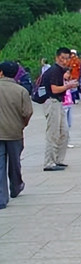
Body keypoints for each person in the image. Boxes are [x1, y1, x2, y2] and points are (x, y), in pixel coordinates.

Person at [0, 61, 33, 209]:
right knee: (15, 163)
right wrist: (22, 124)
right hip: (14, 132)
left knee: (0, 165)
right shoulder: (21, 91)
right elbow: (27, 112)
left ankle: (2, 198)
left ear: (1, 72)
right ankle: (16, 186)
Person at [43, 47, 79, 171]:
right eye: (62, 58)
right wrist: (68, 86)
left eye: (66, 58)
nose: (64, 61)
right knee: (53, 133)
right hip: (52, 101)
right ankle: (49, 162)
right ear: (57, 58)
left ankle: (58, 159)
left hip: (58, 102)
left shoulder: (60, 70)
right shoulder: (54, 70)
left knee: (64, 132)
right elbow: (54, 89)